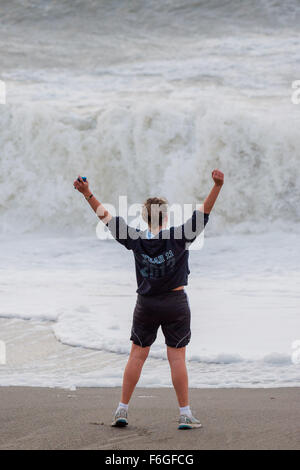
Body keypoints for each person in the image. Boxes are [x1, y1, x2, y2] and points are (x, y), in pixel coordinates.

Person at [73, 169, 224, 430]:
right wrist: (217, 186)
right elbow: (205, 212)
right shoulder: (179, 235)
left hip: (146, 305)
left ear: (144, 219)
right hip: (175, 304)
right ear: (165, 217)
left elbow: (106, 218)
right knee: (176, 358)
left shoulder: (135, 238)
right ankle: (185, 414)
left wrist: (88, 194)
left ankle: (122, 410)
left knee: (136, 357)